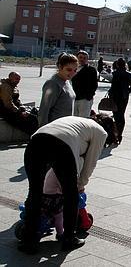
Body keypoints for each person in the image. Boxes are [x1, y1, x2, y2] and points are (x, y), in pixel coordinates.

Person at [18, 114, 116, 254]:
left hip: (35, 142)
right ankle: (69, 238)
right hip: (61, 147)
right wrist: (81, 184)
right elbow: (91, 163)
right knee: (71, 195)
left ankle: (29, 241)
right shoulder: (100, 132)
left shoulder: (77, 121)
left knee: (35, 193)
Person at [38, 53, 78, 127]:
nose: (72, 73)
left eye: (75, 70)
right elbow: (44, 111)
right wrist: (43, 133)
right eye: (69, 70)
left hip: (64, 127)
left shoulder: (67, 81)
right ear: (60, 67)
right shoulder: (52, 83)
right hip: (54, 129)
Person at [109, 58, 131, 144]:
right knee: (121, 115)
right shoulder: (129, 74)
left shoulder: (115, 73)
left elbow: (113, 87)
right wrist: (127, 92)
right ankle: (119, 134)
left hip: (115, 97)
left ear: (117, 64)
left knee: (116, 115)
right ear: (125, 65)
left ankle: (115, 134)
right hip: (124, 97)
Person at [71, 50, 99, 118]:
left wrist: (88, 96)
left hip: (84, 100)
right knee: (72, 119)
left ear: (87, 60)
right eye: (80, 57)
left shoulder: (91, 70)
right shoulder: (72, 68)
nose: (82, 59)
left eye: (84, 58)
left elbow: (94, 85)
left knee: (83, 120)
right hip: (73, 98)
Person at [42, 169, 65, 241]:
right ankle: (60, 234)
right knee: (59, 215)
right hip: (53, 198)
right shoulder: (60, 172)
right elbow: (63, 188)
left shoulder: (52, 169)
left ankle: (49, 223)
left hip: (46, 196)